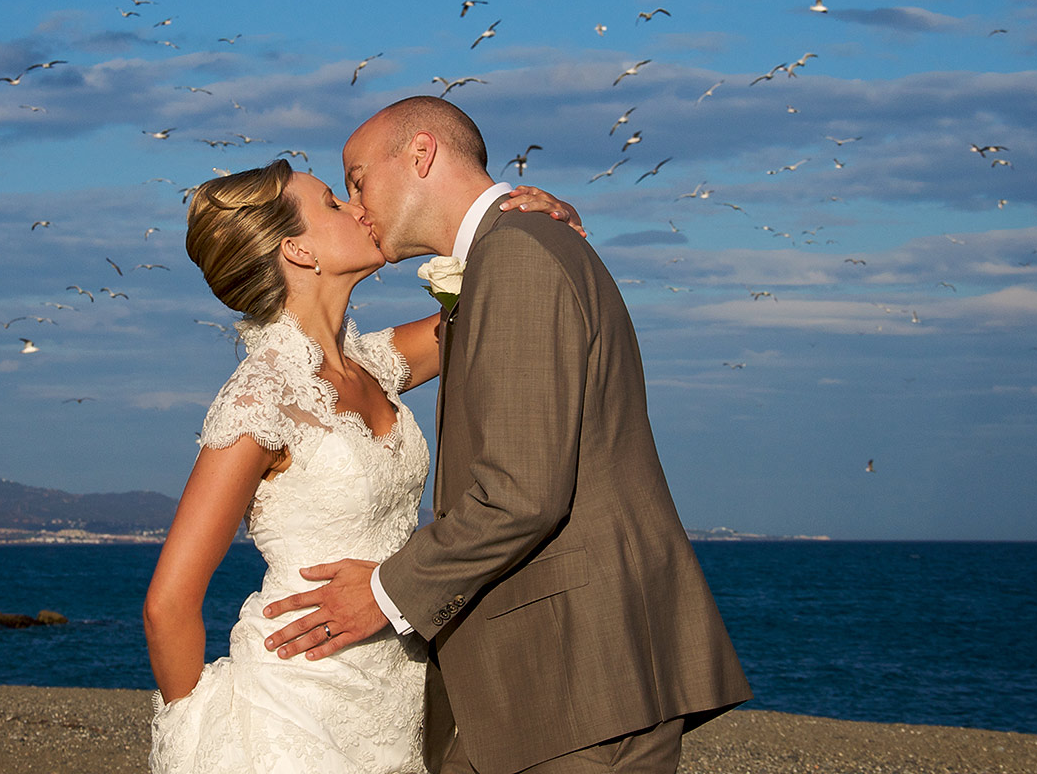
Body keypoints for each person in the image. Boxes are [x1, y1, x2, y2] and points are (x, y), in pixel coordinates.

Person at [261, 97, 750, 773]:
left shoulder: (517, 255)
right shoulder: (513, 252)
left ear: (422, 154)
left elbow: (521, 494)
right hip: (540, 681)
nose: (356, 204)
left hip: (582, 681)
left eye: (357, 180)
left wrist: (382, 594)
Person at [145, 158, 581, 774]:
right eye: (332, 202)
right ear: (297, 251)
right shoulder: (259, 398)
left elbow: (492, 305)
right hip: (289, 714)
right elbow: (168, 604)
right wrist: (200, 735)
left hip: (397, 697)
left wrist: (540, 225)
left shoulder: (373, 364)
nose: (357, 208)